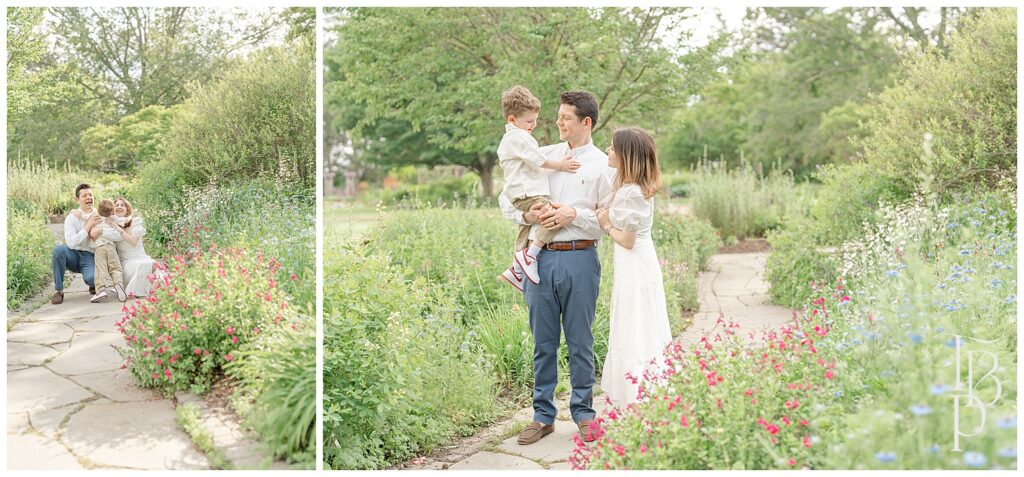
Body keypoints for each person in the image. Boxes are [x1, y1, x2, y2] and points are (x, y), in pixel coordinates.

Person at [499, 91, 614, 445]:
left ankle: (583, 413)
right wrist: (525, 215)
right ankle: (542, 415)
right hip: (540, 259)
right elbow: (507, 197)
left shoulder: (602, 165)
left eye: (565, 118)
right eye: (557, 116)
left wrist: (572, 214)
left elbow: (607, 219)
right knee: (543, 341)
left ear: (586, 122)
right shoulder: (542, 155)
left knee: (581, 340)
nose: (558, 123)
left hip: (580, 257)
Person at [595, 127, 672, 406]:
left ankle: (636, 394)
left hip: (634, 265)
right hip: (640, 263)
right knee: (640, 325)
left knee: (634, 326)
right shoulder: (635, 188)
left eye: (613, 148)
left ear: (626, 155)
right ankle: (645, 389)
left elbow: (626, 240)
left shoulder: (630, 193)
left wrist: (605, 224)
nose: (608, 151)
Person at [496, 85, 581, 291]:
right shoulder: (518, 137)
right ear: (512, 120)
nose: (533, 125)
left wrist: (525, 217)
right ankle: (530, 255)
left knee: (525, 228)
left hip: (522, 194)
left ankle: (516, 268)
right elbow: (538, 159)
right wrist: (560, 165)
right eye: (529, 121)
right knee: (555, 215)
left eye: (535, 120)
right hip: (527, 193)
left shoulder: (516, 138)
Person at [51, 184, 122, 305]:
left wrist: (101, 231)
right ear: (77, 199)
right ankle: (59, 290)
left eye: (90, 195)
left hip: (90, 256)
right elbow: (71, 243)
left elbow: (115, 231)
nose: (88, 197)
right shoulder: (71, 217)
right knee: (58, 250)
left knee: (92, 279)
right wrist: (87, 227)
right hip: (72, 254)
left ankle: (92, 284)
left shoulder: (99, 214)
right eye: (84, 195)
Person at [83, 199, 127, 303]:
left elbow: (83, 216)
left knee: (100, 269)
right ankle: (118, 284)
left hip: (99, 247)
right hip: (111, 246)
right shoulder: (112, 219)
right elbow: (123, 221)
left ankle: (101, 290)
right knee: (115, 267)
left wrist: (75, 212)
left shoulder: (95, 217)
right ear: (112, 211)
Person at [112, 197, 157, 298]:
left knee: (156, 267)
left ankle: (140, 289)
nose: (119, 207)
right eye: (116, 205)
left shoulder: (136, 221)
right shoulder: (111, 224)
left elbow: (133, 242)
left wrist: (118, 229)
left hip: (141, 257)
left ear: (127, 209)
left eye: (122, 205)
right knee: (150, 265)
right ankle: (134, 290)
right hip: (127, 263)